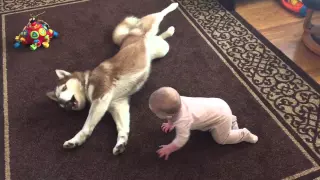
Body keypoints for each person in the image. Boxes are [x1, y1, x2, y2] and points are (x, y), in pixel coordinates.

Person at [148, 87, 258, 160]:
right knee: (218, 117)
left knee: (222, 140)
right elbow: (171, 115)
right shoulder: (177, 101)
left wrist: (169, 148)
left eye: (154, 112)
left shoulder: (183, 121)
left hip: (221, 118)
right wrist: (170, 123)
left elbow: (181, 139)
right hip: (219, 104)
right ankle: (232, 119)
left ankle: (244, 134)